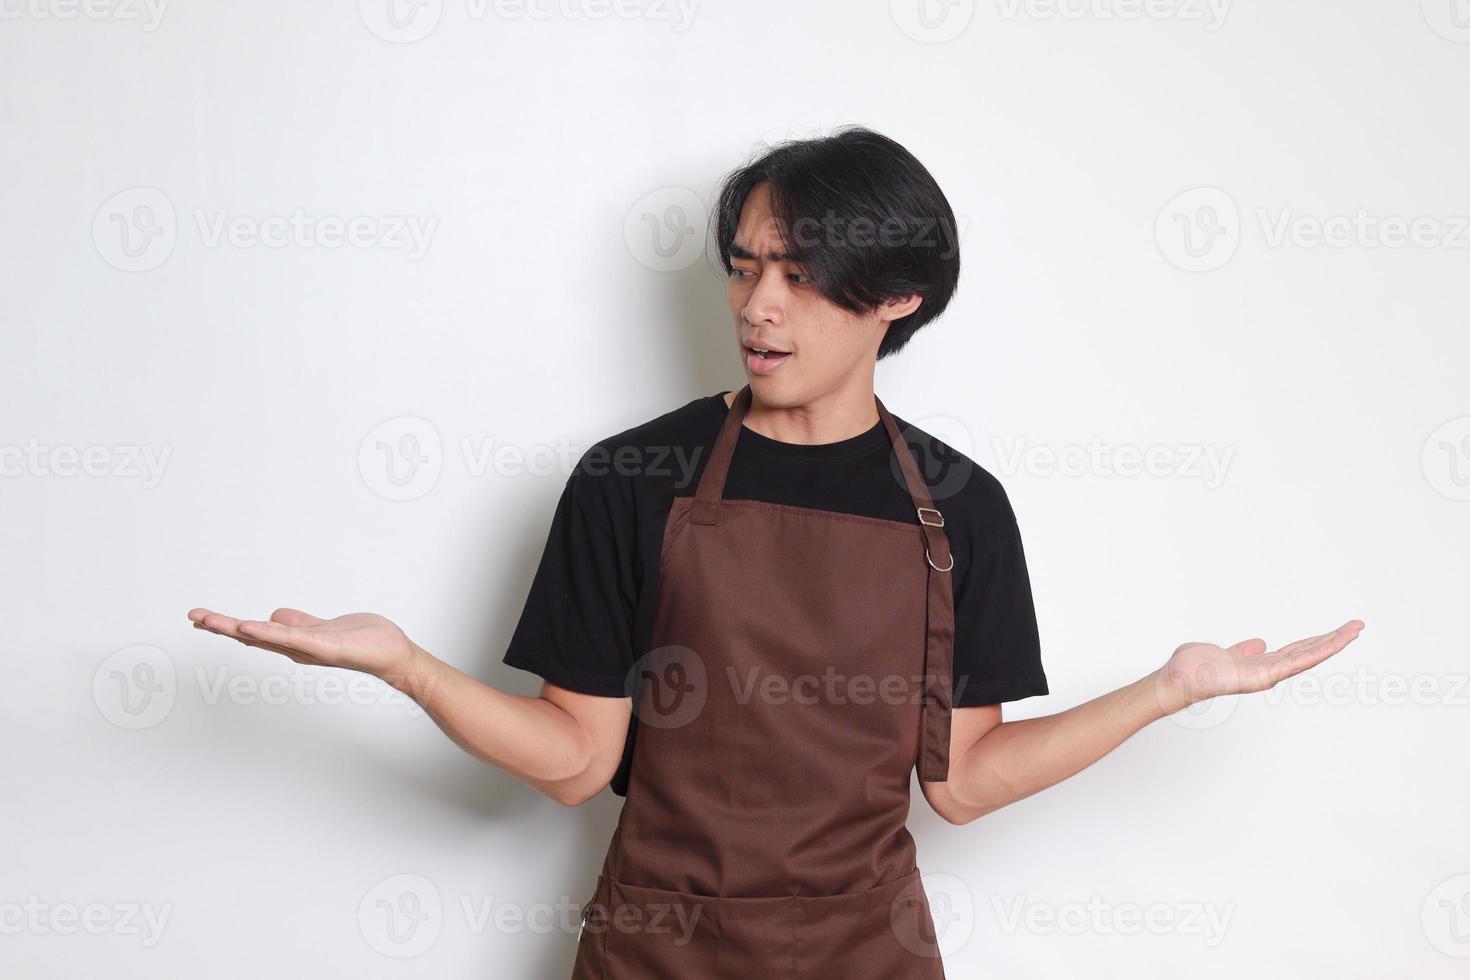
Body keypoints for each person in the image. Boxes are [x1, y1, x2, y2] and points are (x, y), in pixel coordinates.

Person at [187, 126, 1364, 978]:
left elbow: (963, 780)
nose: (760, 305)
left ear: (896, 296)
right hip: (658, 951)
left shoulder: (959, 509)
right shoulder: (629, 480)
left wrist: (1169, 689)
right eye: (747, 265)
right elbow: (572, 761)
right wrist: (405, 662)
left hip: (866, 954)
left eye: (801, 276)